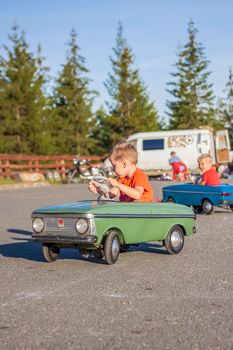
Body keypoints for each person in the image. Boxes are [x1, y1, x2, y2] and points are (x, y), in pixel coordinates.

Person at [89, 142, 154, 202]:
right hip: (130, 209)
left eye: (114, 166)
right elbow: (113, 193)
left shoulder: (139, 175)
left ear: (124, 164)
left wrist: (118, 185)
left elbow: (137, 195)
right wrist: (100, 190)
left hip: (144, 210)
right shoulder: (122, 179)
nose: (113, 169)